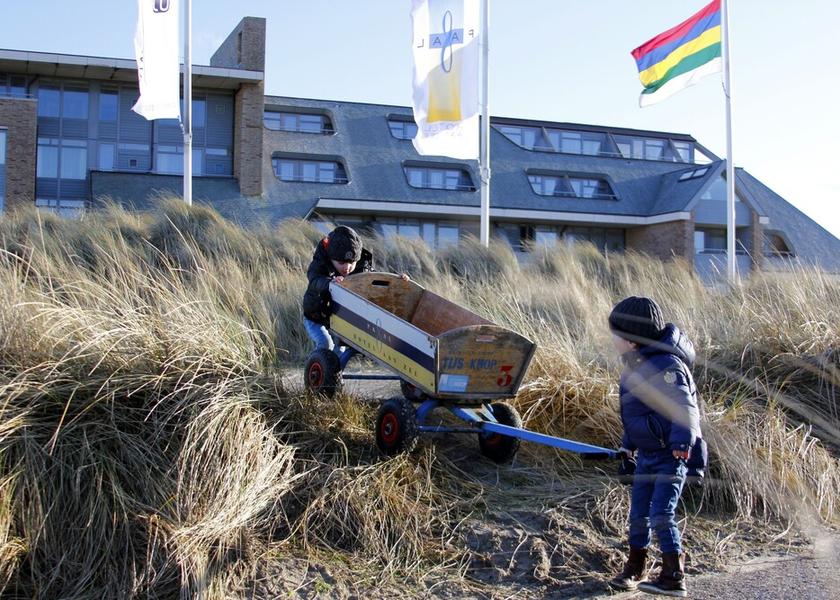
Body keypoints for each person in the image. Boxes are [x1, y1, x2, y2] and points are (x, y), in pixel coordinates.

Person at [607, 296, 701, 598]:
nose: (615, 341)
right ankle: (635, 567)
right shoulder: (635, 365)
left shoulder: (666, 366)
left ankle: (674, 574)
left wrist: (681, 444)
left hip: (671, 456)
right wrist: (628, 447)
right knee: (638, 514)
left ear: (633, 340)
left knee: (662, 513)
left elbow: (685, 408)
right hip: (647, 455)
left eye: (618, 336)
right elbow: (634, 415)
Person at [302, 225, 373, 352]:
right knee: (325, 343)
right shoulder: (320, 263)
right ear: (331, 259)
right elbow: (314, 280)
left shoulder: (360, 265)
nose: (347, 267)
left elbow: (373, 279)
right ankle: (315, 369)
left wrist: (397, 279)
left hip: (339, 317)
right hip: (315, 315)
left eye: (352, 263)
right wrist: (330, 283)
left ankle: (333, 371)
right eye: (341, 263)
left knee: (341, 349)